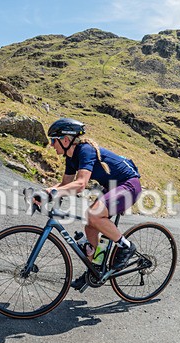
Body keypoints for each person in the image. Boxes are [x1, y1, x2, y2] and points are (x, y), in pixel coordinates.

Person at [42, 118, 141, 289]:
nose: (51, 145)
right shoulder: (71, 158)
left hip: (129, 185)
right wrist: (45, 193)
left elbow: (80, 184)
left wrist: (53, 192)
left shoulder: (85, 150)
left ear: (66, 140)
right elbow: (66, 184)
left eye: (53, 140)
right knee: (90, 226)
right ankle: (94, 270)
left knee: (93, 214)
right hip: (111, 187)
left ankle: (126, 246)